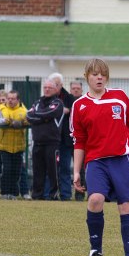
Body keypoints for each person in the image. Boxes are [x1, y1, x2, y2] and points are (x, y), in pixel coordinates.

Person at [71, 58, 129, 256]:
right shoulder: (79, 105)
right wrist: (76, 171)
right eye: (95, 74)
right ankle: (95, 251)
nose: (99, 77)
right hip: (96, 161)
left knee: (125, 206)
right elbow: (79, 140)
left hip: (124, 159)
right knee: (95, 199)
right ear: (87, 76)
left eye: (103, 74)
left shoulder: (119, 97)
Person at [27, 79, 64, 200]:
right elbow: (29, 116)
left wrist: (38, 116)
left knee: (53, 171)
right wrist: (44, 118)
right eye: (45, 87)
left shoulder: (58, 102)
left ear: (55, 89)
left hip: (52, 143)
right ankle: (37, 195)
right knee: (37, 171)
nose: (47, 89)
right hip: (37, 142)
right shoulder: (37, 102)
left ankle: (54, 195)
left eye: (50, 87)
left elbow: (51, 112)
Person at [0, 90, 28, 200]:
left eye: (13, 99)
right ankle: (4, 193)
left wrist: (21, 123)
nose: (10, 100)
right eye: (9, 98)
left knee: (16, 171)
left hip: (19, 146)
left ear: (18, 100)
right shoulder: (1, 108)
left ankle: (14, 193)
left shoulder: (23, 110)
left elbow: (28, 120)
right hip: (4, 146)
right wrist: (8, 121)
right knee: (6, 170)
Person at [49, 73, 75, 201]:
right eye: (52, 84)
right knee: (52, 168)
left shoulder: (69, 98)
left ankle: (66, 194)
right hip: (51, 139)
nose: (54, 87)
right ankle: (50, 194)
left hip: (66, 140)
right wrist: (61, 110)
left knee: (65, 168)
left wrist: (65, 110)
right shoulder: (47, 97)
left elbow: (72, 112)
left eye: (56, 84)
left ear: (61, 85)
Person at [69, 81, 87, 201]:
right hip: (69, 142)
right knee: (75, 169)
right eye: (73, 88)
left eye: (78, 88)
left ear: (81, 89)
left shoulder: (85, 102)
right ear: (70, 90)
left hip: (84, 142)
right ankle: (78, 195)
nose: (75, 90)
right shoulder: (67, 102)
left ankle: (92, 193)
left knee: (86, 168)